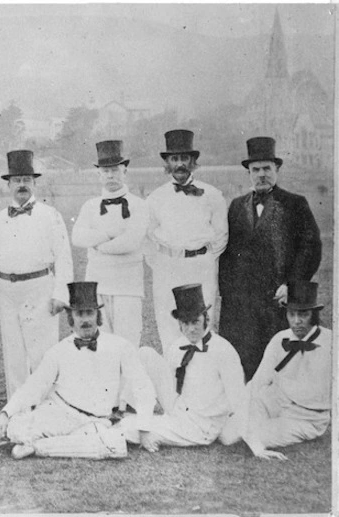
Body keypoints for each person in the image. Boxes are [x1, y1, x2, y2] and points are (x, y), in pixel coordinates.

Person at [0, 282, 155, 460]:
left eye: (90, 313)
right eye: (79, 314)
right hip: (62, 413)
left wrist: (144, 428)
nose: (85, 320)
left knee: (114, 444)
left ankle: (38, 447)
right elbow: (34, 387)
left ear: (98, 315)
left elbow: (142, 385)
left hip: (98, 421)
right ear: (70, 318)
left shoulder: (120, 346)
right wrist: (6, 413)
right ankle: (63, 443)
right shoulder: (58, 351)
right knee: (16, 427)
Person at [219, 137, 321, 380]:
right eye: (255, 170)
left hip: (278, 299)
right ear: (248, 173)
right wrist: (230, 294)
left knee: (279, 362)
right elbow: (228, 253)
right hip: (244, 303)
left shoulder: (295, 204)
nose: (261, 175)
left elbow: (311, 247)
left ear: (277, 170)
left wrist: (292, 285)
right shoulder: (236, 206)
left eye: (267, 169)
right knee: (246, 361)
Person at [0, 149, 73, 398]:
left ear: (34, 182)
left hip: (40, 289)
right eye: (16, 180)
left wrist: (60, 294)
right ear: (9, 185)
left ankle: (46, 407)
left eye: (26, 180)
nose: (21, 185)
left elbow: (64, 257)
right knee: (13, 355)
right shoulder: (0, 219)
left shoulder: (50, 215)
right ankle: (17, 411)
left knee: (42, 353)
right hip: (7, 292)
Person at [124, 284, 246, 450]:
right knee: (145, 353)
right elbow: (168, 383)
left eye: (196, 322)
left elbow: (239, 399)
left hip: (202, 426)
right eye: (185, 323)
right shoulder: (178, 345)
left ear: (206, 319)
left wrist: (256, 445)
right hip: (179, 409)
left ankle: (151, 429)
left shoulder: (223, 350)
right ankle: (125, 410)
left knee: (127, 429)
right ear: (179, 324)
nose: (191, 329)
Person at [219, 281, 331, 460]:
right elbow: (257, 383)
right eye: (291, 314)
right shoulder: (280, 339)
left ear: (314, 314)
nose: (296, 321)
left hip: (307, 417)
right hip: (275, 400)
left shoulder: (331, 342)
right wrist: (244, 409)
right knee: (227, 435)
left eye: (303, 314)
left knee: (258, 435)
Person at [145, 129, 228, 349]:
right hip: (167, 267)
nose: (180, 164)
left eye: (184, 158)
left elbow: (221, 236)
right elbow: (147, 238)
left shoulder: (211, 194)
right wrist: (165, 262)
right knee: (168, 323)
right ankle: (173, 376)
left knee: (201, 321)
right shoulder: (155, 198)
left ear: (192, 161)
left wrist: (204, 258)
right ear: (168, 163)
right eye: (174, 159)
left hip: (201, 265)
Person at [72, 140, 148, 348]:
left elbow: (130, 243)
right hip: (97, 286)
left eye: (115, 170)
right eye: (106, 171)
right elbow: (78, 237)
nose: (111, 176)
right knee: (100, 346)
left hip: (128, 288)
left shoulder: (139, 205)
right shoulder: (90, 206)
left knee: (127, 345)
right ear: (99, 174)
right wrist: (109, 233)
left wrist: (98, 244)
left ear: (125, 171)